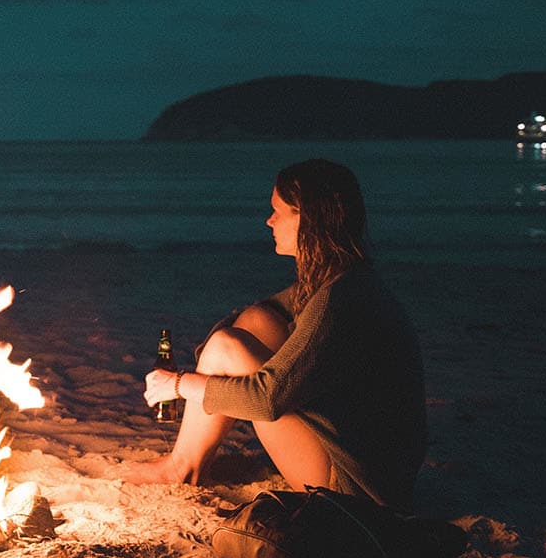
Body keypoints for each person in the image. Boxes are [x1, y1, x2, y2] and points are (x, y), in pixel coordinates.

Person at [135, 159, 426, 513]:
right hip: (377, 466)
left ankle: (181, 468)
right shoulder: (342, 279)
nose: (268, 221)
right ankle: (184, 462)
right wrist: (209, 357)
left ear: (307, 218)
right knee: (255, 321)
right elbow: (252, 318)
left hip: (354, 489)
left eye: (277, 211)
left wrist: (179, 384)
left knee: (228, 347)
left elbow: (266, 400)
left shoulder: (338, 299)